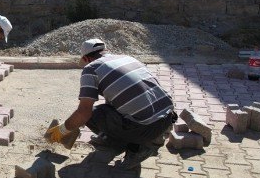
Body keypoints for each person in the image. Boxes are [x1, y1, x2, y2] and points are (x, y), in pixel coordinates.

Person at [46, 38, 177, 169]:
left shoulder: (91, 69)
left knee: (92, 115)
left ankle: (137, 147)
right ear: (105, 51)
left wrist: (62, 130)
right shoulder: (127, 58)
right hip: (167, 118)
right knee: (108, 109)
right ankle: (123, 139)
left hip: (146, 128)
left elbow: (83, 112)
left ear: (86, 59)